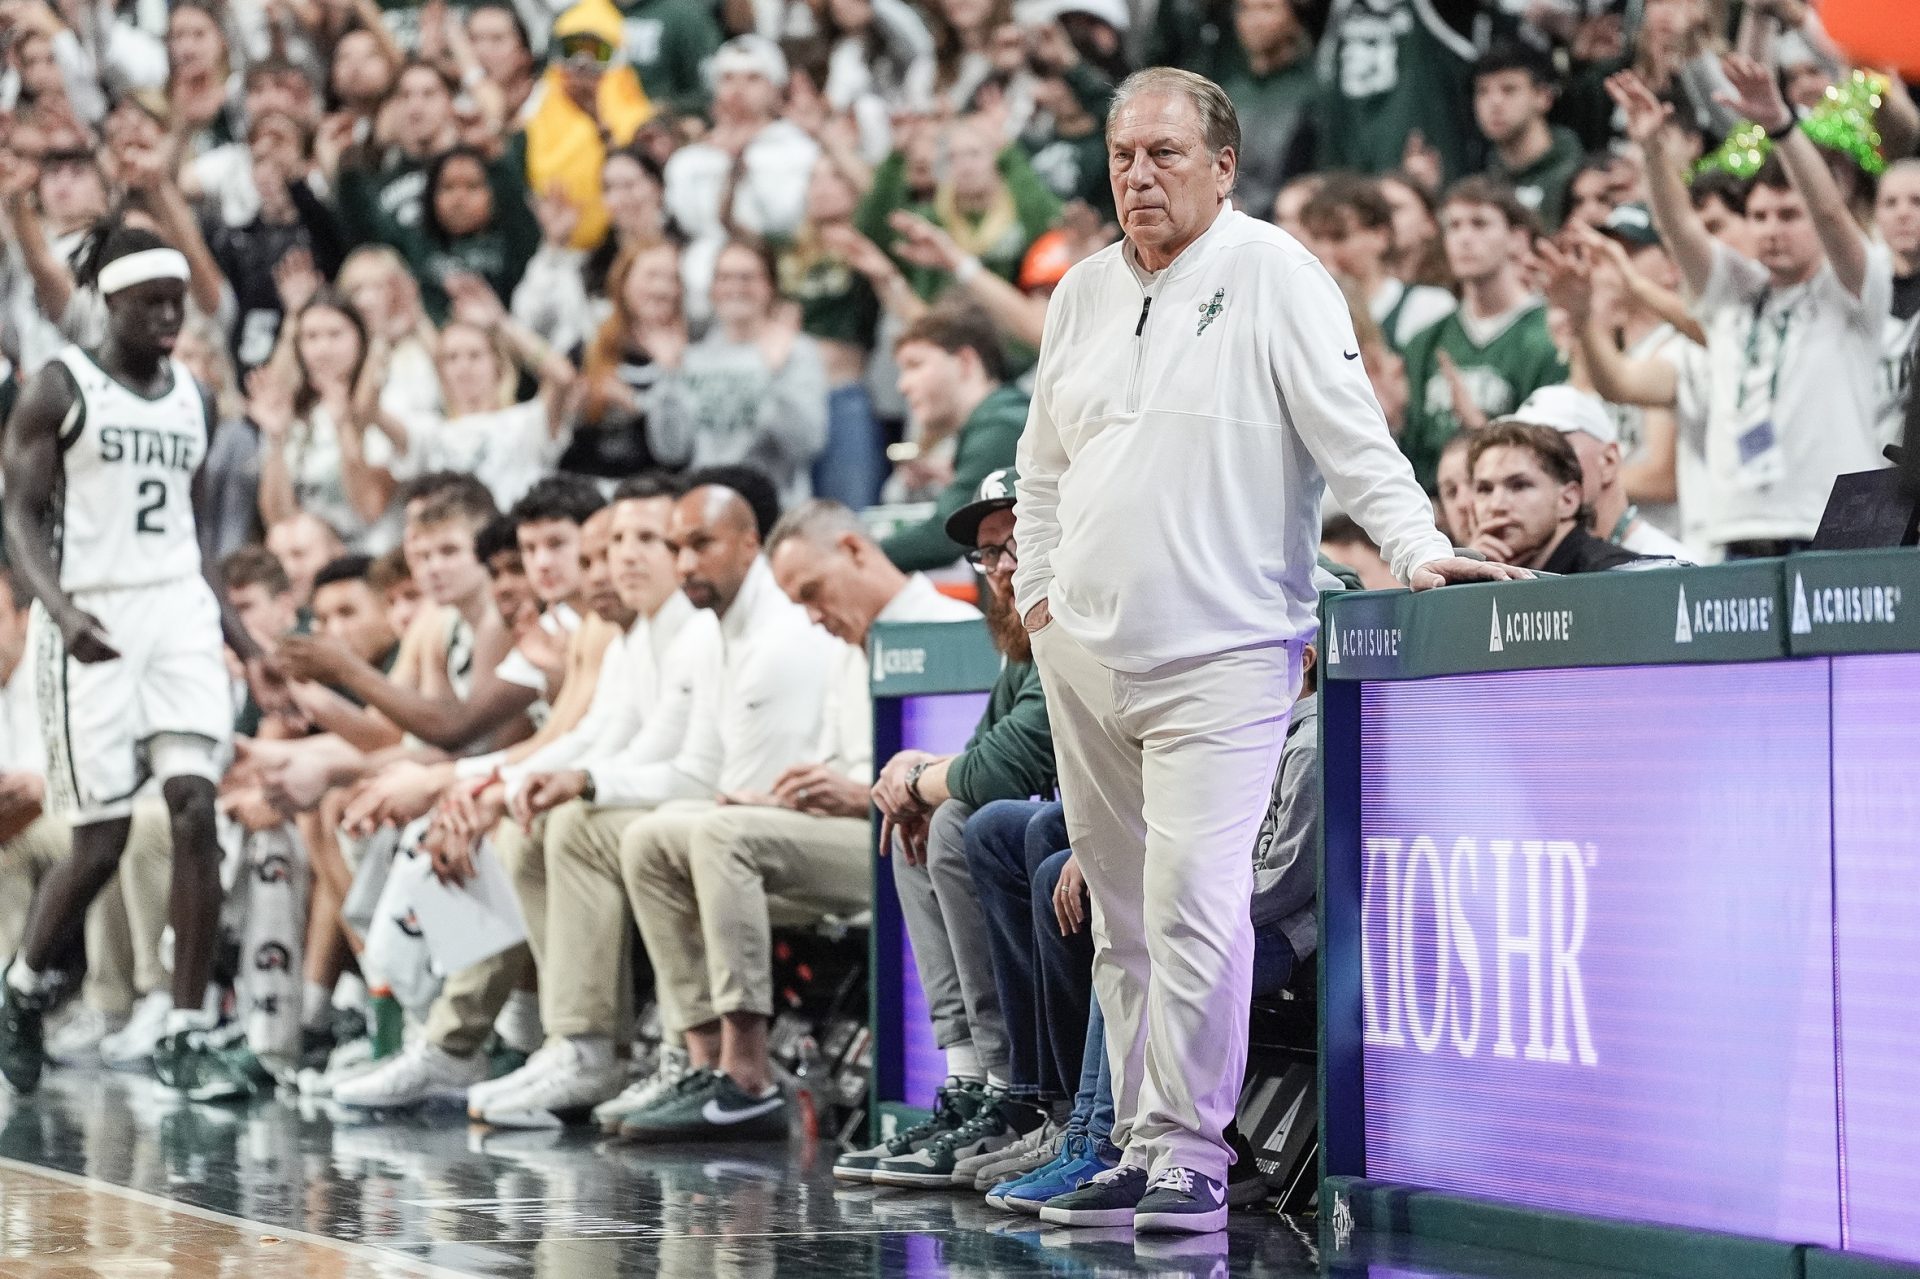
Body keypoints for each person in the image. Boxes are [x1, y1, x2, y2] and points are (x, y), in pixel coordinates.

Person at [1012, 68, 1518, 1235]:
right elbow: (1042, 467)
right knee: (1127, 920)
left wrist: (1417, 543)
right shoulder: (1081, 293)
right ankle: (1137, 1144)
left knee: (1196, 900)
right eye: (1122, 155)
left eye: (1166, 155)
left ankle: (1190, 1154)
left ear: (1225, 165)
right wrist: (1039, 596)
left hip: (1226, 648)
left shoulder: (1277, 271)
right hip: (1081, 652)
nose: (1138, 175)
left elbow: (1354, 433)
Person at [0, 226, 284, 1099]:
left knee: (195, 806)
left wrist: (249, 647)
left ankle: (188, 1021)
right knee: (102, 838)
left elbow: (196, 543)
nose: (170, 315)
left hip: (178, 612)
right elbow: (17, 514)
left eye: (177, 301)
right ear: (109, 302)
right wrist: (59, 607)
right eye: (151, 302)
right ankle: (20, 989)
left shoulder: (194, 396)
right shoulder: (61, 386)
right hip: (93, 606)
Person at [613, 500, 977, 1142]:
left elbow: (965, 785)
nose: (811, 615)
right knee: (652, 836)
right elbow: (838, 767)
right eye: (797, 602)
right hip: (852, 827)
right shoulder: (848, 643)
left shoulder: (951, 627)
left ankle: (747, 1075)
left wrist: (850, 791)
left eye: (813, 593)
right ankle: (697, 1060)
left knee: (721, 836)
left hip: (906, 839)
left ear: (855, 551)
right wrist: (782, 800)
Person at [837, 467, 1057, 1185]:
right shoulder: (1019, 648)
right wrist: (923, 778)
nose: (999, 570)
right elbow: (989, 751)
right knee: (926, 823)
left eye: (1013, 546)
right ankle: (968, 1075)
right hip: (1056, 854)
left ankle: (1010, 1089)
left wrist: (921, 777)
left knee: (961, 818)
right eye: (987, 554)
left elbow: (1013, 759)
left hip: (1113, 848)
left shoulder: (1073, 623)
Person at [1612, 59, 1893, 558]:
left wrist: (1782, 126)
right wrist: (1651, 150)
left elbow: (1829, 211)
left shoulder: (1854, 286)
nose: (1771, 229)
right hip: (1736, 527)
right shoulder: (1733, 291)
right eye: (1759, 216)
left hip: (1829, 523)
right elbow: (1678, 228)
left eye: (1789, 215)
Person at [1398, 176, 1567, 489]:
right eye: (1454, 226)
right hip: (1434, 511)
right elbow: (1413, 445)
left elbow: (1554, 452)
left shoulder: (1547, 335)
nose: (1464, 238)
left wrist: (1481, 428)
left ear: (1517, 238)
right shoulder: (1425, 341)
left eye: (1479, 224)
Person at [646, 240, 829, 509]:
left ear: (770, 287)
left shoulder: (796, 351)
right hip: (706, 506)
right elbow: (670, 450)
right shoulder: (692, 357)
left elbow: (806, 445)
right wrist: (669, 377)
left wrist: (775, 374)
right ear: (712, 289)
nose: (736, 288)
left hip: (775, 508)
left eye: (747, 278)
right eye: (725, 278)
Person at [880, 305, 1028, 571]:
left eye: (915, 365)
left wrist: (848, 558)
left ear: (965, 362)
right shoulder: (1002, 419)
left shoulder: (1000, 427)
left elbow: (942, 537)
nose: (902, 385)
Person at [1498, 386, 1690, 559]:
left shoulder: (1669, 566)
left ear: (1608, 461)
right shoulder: (1526, 565)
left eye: (1552, 450)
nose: (1531, 469)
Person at [1298, 174, 1455, 352]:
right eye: (1317, 238)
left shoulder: (1427, 305)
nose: (1325, 251)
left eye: (1338, 237)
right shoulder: (1303, 309)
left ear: (1380, 236)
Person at [1466, 420, 1649, 572]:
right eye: (1485, 489)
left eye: (1519, 486)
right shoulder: (1471, 573)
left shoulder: (1615, 575)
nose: (1497, 505)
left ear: (1567, 500)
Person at [1473, 41, 1584, 233]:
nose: (1494, 103)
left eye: (1509, 89)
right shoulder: (1484, 184)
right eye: (1483, 92)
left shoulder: (1578, 174)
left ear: (1544, 97)